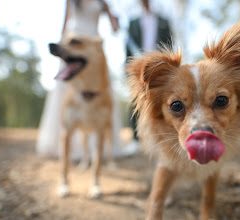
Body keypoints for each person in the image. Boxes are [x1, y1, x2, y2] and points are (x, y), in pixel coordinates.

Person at [37, 0, 137, 161]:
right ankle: (66, 150)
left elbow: (115, 29)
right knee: (67, 94)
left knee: (99, 92)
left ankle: (100, 151)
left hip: (92, 46)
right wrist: (63, 49)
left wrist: (115, 21)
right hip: (72, 43)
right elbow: (64, 24)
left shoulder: (103, 3)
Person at [126, 0, 173, 140]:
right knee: (136, 99)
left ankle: (160, 135)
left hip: (159, 66)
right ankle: (136, 138)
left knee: (161, 99)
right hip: (139, 64)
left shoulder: (163, 21)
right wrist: (128, 65)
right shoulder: (133, 22)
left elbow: (170, 43)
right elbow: (127, 46)